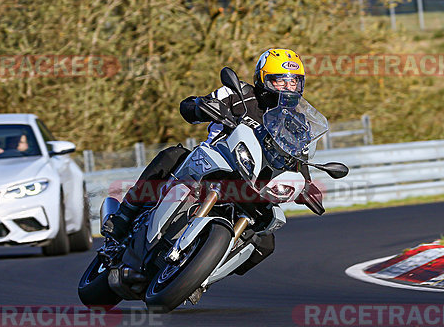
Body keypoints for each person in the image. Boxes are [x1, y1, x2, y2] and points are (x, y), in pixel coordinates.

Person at [101, 48, 306, 254]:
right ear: (263, 80)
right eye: (281, 81)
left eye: (294, 81)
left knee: (264, 244)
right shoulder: (239, 94)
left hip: (251, 184)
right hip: (214, 160)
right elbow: (188, 106)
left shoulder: (297, 122)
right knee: (172, 155)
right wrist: (200, 107)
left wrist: (306, 185)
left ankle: (205, 273)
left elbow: (300, 158)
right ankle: (123, 216)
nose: (288, 87)